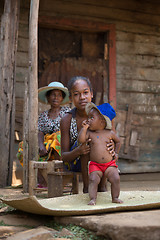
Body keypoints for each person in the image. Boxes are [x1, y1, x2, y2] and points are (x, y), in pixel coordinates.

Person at [60, 76, 116, 193]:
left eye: (85, 92)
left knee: (101, 143)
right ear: (70, 98)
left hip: (100, 160)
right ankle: (87, 188)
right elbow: (64, 156)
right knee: (88, 143)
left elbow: (111, 137)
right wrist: (79, 151)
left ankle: (102, 187)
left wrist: (112, 147)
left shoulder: (101, 117)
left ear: (91, 94)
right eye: (76, 94)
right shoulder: (67, 119)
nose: (82, 97)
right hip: (75, 161)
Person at [17, 81, 70, 186]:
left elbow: (69, 131)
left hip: (62, 143)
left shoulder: (67, 112)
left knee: (57, 137)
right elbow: (40, 132)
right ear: (48, 97)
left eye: (59, 95)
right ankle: (42, 180)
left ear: (62, 98)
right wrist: (41, 145)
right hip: (46, 144)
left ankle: (59, 179)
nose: (56, 98)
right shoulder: (43, 115)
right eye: (53, 95)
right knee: (23, 146)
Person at [78, 102, 123, 205]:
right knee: (93, 179)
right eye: (88, 117)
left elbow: (118, 141)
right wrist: (84, 129)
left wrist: (116, 153)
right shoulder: (90, 132)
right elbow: (81, 140)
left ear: (102, 122)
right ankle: (93, 199)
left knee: (116, 178)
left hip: (109, 165)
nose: (89, 120)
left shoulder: (110, 133)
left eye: (92, 118)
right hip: (95, 165)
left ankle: (115, 197)